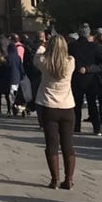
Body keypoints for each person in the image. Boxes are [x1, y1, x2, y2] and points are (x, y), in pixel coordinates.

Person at [34, 35, 77, 190]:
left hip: (49, 106)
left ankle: (55, 180)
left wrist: (42, 45)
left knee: (51, 144)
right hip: (67, 106)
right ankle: (69, 179)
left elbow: (36, 57)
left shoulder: (45, 62)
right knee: (68, 144)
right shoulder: (70, 62)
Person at [69, 24, 102, 135]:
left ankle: (76, 127)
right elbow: (101, 64)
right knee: (92, 104)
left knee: (77, 104)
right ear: (89, 33)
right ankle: (97, 127)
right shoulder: (94, 47)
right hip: (91, 79)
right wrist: (89, 69)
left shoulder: (72, 46)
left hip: (76, 78)